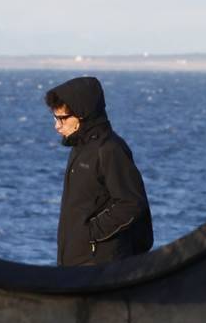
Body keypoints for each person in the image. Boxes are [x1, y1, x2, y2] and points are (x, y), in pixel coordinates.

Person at [45, 75, 154, 266]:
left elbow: (131, 203)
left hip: (100, 264)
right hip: (74, 261)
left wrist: (91, 233)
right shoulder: (79, 148)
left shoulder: (110, 150)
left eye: (62, 118)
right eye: (55, 118)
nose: (57, 126)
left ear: (82, 114)